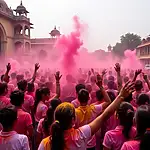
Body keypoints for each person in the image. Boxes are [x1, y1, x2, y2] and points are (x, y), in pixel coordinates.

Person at [38, 80, 134, 150]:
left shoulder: (45, 143)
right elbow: (105, 115)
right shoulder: (80, 135)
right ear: (73, 120)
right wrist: (120, 97)